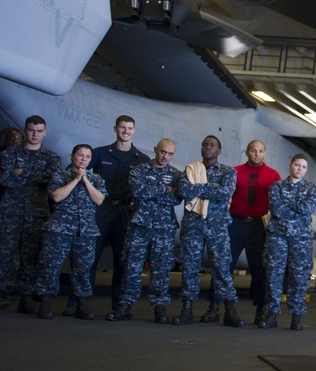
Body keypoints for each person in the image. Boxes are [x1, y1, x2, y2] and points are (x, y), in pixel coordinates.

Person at [80, 115, 149, 316]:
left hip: (125, 212)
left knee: (122, 260)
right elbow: (77, 169)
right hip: (101, 209)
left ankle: (120, 306)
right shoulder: (100, 153)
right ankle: (79, 302)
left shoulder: (142, 160)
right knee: (89, 258)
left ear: (134, 131)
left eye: (129, 128)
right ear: (115, 129)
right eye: (122, 127)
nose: (125, 131)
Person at [108, 139, 182, 324]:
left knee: (162, 268)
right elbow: (138, 191)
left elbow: (176, 199)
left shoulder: (176, 175)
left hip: (164, 228)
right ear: (156, 150)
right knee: (132, 266)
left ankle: (160, 308)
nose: (166, 157)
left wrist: (159, 191)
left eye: (170, 154)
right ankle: (125, 306)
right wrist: (166, 189)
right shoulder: (139, 170)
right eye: (163, 152)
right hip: (140, 225)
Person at [173, 136, 241, 327]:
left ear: (219, 151)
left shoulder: (228, 172)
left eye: (212, 145)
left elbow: (225, 192)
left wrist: (198, 189)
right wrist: (213, 187)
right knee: (189, 267)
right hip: (193, 225)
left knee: (221, 267)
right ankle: (187, 309)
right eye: (205, 145)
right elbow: (185, 191)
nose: (208, 148)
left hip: (217, 226)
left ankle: (230, 310)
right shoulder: (191, 169)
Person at [34, 145, 107, 319]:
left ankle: (81, 304)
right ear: (73, 156)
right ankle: (46, 303)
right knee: (51, 266)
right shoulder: (60, 175)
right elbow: (56, 196)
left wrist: (85, 181)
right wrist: (75, 179)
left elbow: (99, 200)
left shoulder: (96, 178)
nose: (83, 159)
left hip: (86, 231)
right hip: (60, 229)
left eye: (87, 157)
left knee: (82, 269)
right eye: (80, 155)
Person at [0, 116, 60, 315]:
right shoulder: (10, 154)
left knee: (31, 255)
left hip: (37, 212)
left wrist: (21, 173)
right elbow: (6, 179)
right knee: (4, 253)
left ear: (44, 132)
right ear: (25, 130)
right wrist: (34, 175)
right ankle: (2, 293)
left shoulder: (52, 158)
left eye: (39, 131)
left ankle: (26, 296)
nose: (35, 134)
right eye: (31, 130)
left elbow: (49, 180)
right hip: (10, 211)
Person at [260, 154, 316, 331]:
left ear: (306, 170)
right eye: (296, 165)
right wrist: (296, 207)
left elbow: (307, 209)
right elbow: (276, 210)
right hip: (277, 237)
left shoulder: (312, 189)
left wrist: (288, 204)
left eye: (303, 167)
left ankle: (296, 316)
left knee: (299, 277)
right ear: (290, 165)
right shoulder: (276, 187)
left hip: (301, 240)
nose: (299, 169)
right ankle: (271, 315)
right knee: (273, 275)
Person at [226, 140, 281, 325]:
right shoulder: (234, 172)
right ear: (247, 152)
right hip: (236, 222)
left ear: (265, 153)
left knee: (259, 269)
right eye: (253, 151)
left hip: (259, 225)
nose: (257, 154)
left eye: (260, 151)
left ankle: (260, 309)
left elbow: (277, 203)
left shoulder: (273, 175)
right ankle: (223, 307)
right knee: (226, 266)